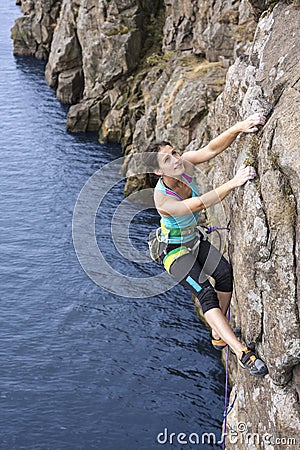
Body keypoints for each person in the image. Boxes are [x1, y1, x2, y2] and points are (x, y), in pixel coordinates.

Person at [145, 113, 268, 377]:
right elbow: (198, 204)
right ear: (158, 171)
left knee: (223, 273)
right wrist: (234, 182)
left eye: (174, 152)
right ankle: (241, 351)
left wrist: (239, 127)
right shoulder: (162, 199)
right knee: (204, 293)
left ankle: (217, 330)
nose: (176, 159)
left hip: (193, 240)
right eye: (167, 159)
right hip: (174, 253)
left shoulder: (184, 165)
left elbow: (212, 148)